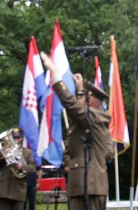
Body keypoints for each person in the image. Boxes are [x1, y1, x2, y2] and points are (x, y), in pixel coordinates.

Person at [39, 52, 110, 210]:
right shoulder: (90, 118)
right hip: (84, 185)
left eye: (81, 98)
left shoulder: (94, 117)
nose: (77, 99)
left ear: (89, 102)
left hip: (90, 185)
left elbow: (72, 105)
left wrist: (55, 74)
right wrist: (80, 88)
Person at [0, 127, 36, 210]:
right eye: (13, 138)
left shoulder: (27, 152)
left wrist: (22, 167)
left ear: (21, 138)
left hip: (18, 190)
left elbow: (33, 168)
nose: (16, 140)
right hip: (4, 190)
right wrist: (2, 154)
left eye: (18, 137)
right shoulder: (3, 150)